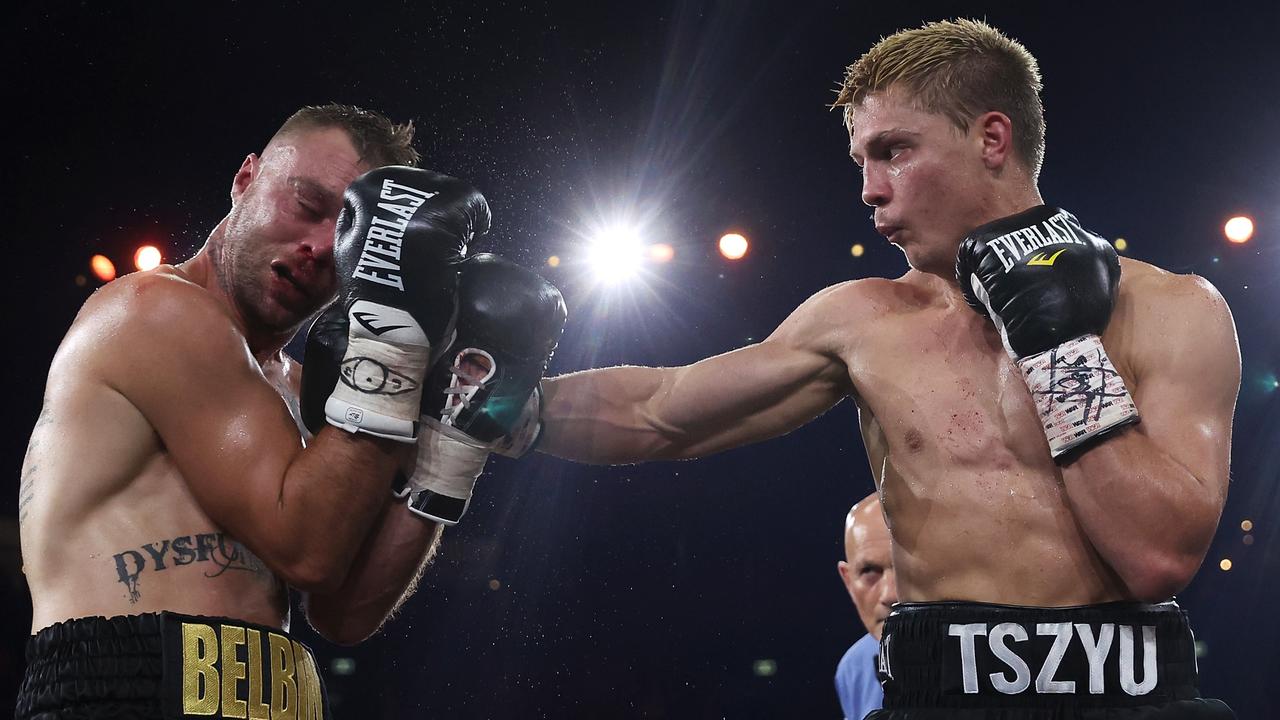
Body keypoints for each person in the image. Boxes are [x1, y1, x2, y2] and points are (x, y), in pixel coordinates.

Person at [534, 19, 1239, 719]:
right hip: (933, 700)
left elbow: (1158, 558)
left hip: (1136, 701)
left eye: (894, 152)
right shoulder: (861, 321)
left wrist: (1057, 346)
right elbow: (658, 410)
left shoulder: (1171, 308)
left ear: (992, 138)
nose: (871, 190)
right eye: (861, 162)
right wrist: (488, 400)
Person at [16, 104, 564, 718]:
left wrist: (451, 445)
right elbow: (307, 547)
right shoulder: (156, 311)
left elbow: (343, 611)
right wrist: (393, 344)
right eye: (307, 205)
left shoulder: (314, 394)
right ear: (246, 178)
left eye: (351, 235)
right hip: (125, 690)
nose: (319, 246)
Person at [835, 493, 896, 719]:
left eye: (903, 569)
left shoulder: (984, 654)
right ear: (849, 581)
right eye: (869, 571)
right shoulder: (853, 668)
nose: (890, 594)